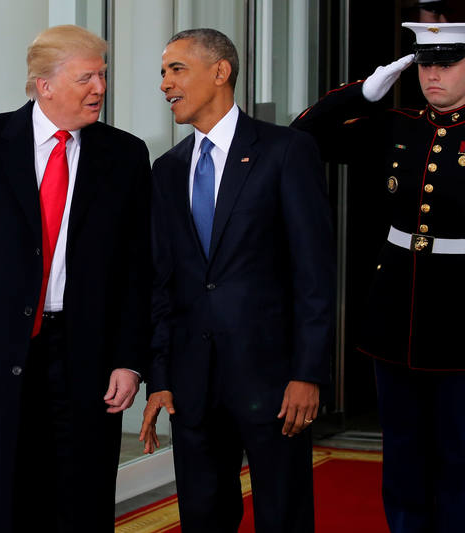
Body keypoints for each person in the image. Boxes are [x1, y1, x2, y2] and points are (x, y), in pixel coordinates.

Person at [0, 24, 151, 533]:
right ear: (44, 85)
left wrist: (129, 361)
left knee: (79, 496)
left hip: (85, 355)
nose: (99, 88)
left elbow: (138, 271)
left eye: (103, 75)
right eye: (86, 77)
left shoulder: (125, 155)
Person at [139, 28, 335, 533]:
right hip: (193, 385)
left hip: (274, 384)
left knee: (283, 514)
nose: (164, 84)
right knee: (202, 517)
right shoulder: (166, 169)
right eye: (163, 72)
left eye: (176, 69)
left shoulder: (286, 151)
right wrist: (159, 378)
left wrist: (307, 372)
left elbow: (313, 274)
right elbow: (161, 284)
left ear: (220, 71)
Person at [291, 22, 465, 533]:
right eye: (426, 64)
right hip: (395, 316)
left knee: (458, 453)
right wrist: (364, 93)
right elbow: (303, 138)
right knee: (405, 452)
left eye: (447, 63)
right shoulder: (397, 125)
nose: (433, 75)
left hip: (459, 320)